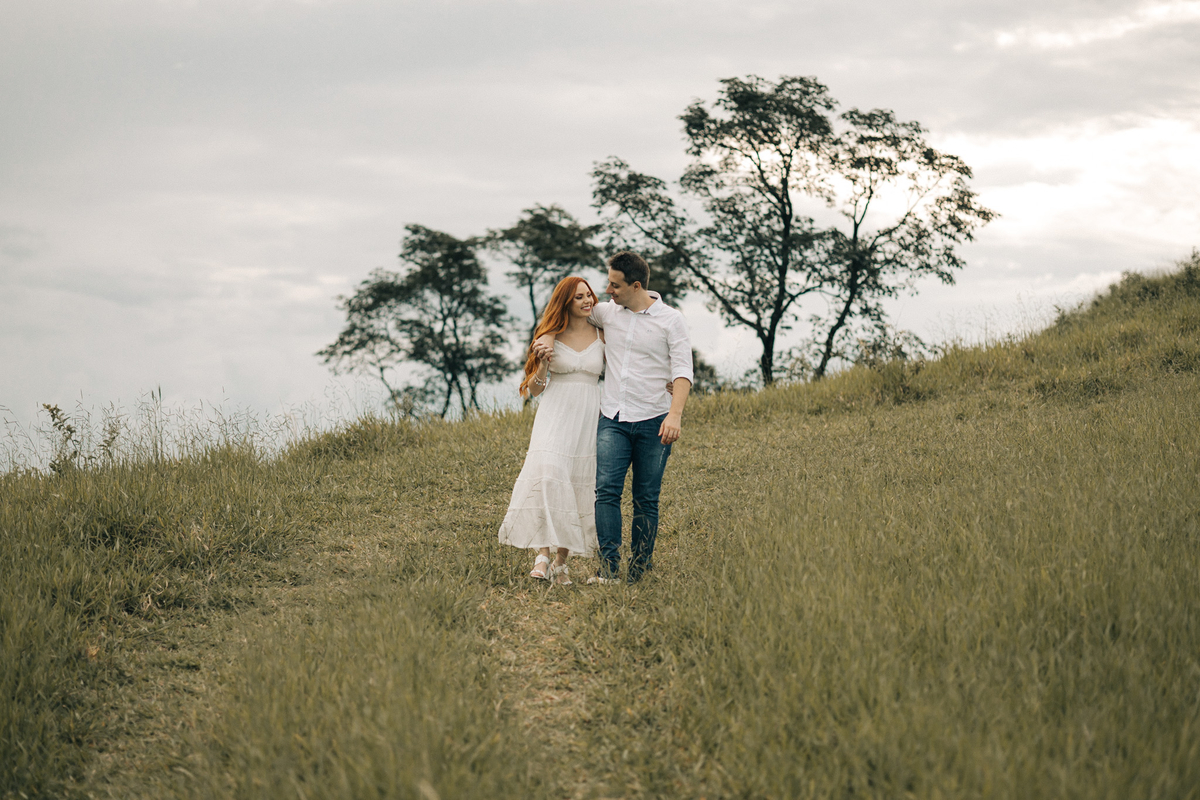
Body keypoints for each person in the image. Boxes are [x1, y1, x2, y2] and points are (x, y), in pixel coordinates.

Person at [534, 251, 693, 584]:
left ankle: (640, 568)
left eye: (614, 285)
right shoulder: (607, 312)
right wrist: (545, 339)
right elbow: (563, 316)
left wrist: (674, 415)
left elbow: (682, 370)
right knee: (605, 491)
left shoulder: (671, 320)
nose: (607, 291)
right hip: (613, 419)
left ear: (636, 285)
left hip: (654, 419)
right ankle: (608, 569)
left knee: (646, 497)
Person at [497, 277, 605, 586]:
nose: (587, 301)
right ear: (566, 303)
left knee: (576, 483)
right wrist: (543, 365)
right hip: (555, 413)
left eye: (589, 295)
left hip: (588, 414)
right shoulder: (549, 335)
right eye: (579, 298)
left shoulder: (602, 333)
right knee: (548, 474)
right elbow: (533, 389)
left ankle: (561, 562)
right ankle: (542, 555)